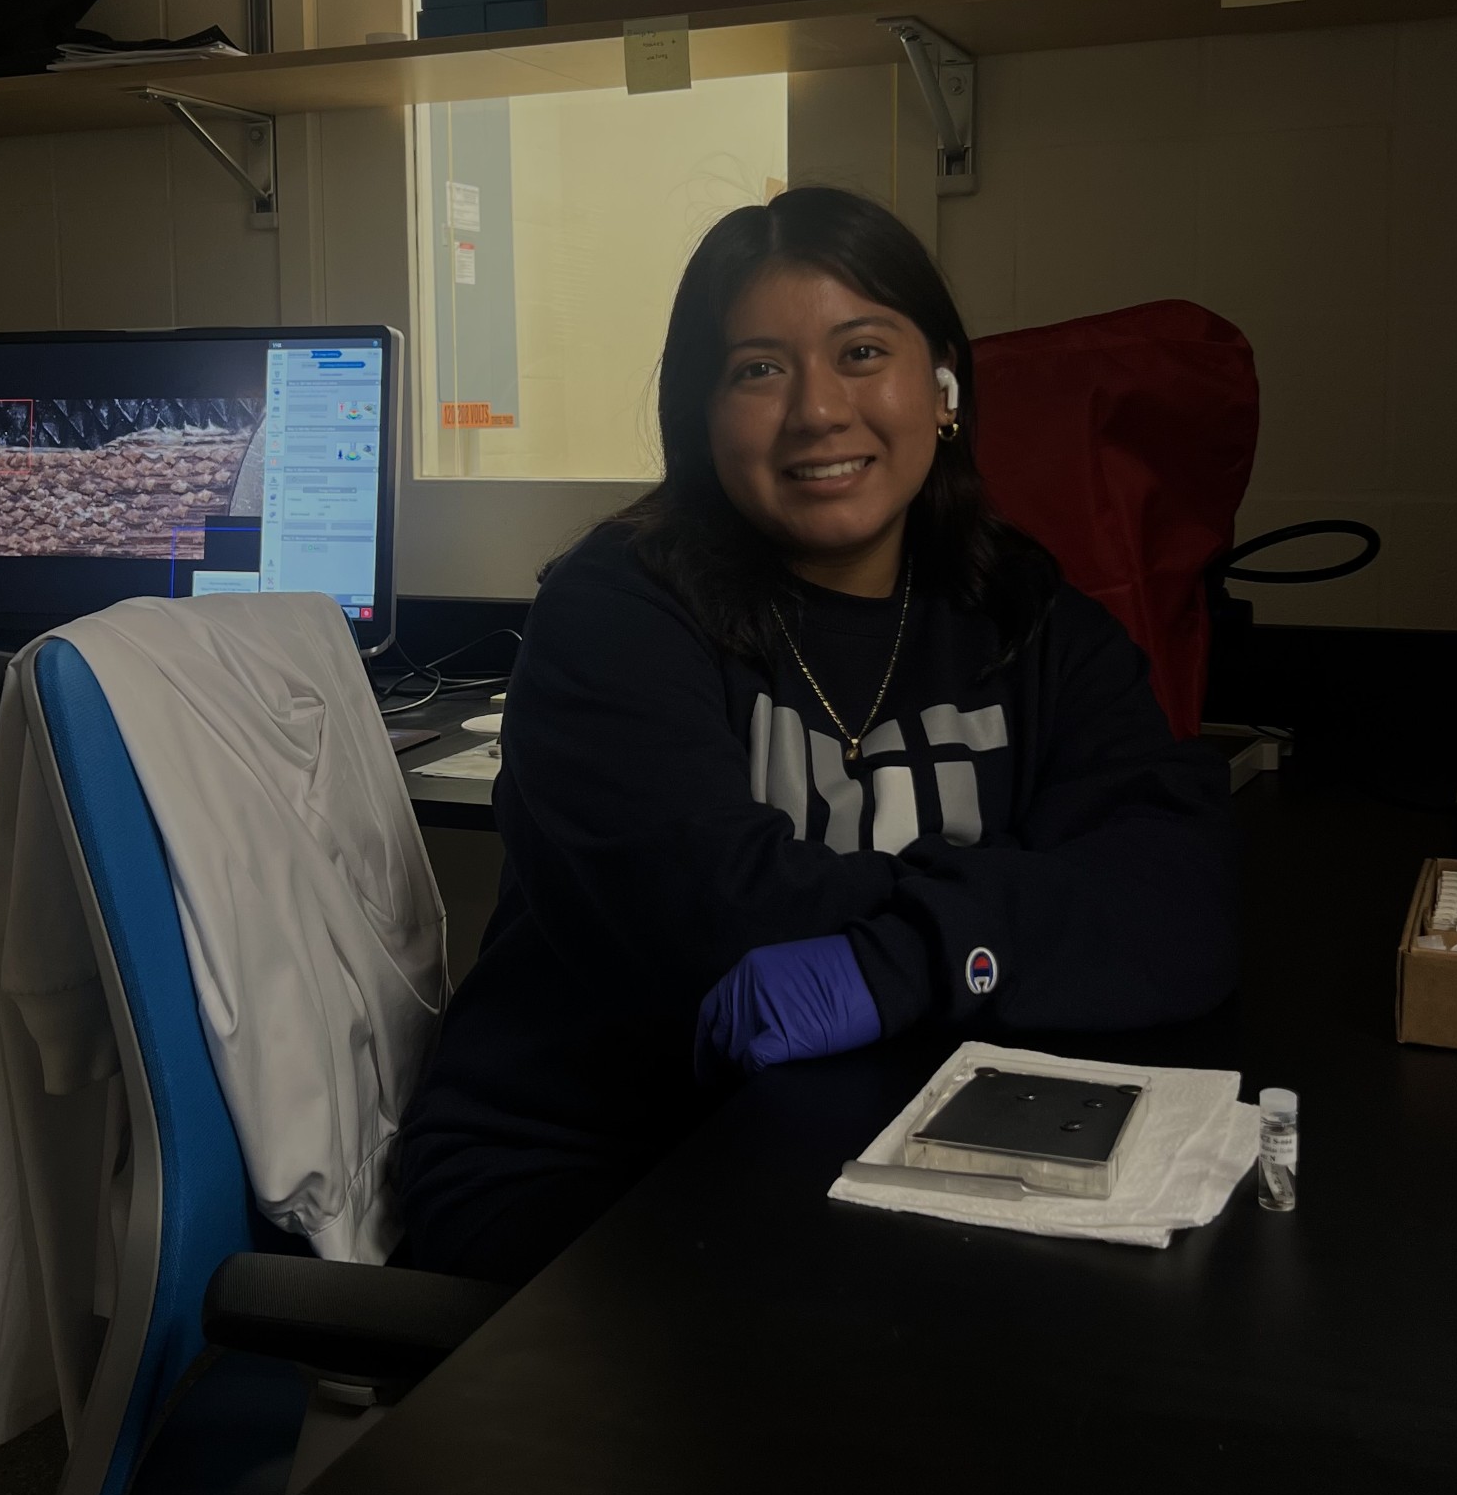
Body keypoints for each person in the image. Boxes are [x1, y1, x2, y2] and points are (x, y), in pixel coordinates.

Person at [396, 185, 1237, 1283]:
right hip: (599, 1164)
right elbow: (712, 909)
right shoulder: (613, 612)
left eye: (861, 351)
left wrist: (902, 961)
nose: (817, 411)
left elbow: (1182, 896)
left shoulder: (1024, 616)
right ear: (702, 415)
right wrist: (1015, 925)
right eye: (757, 368)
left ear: (939, 386)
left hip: (898, 1142)